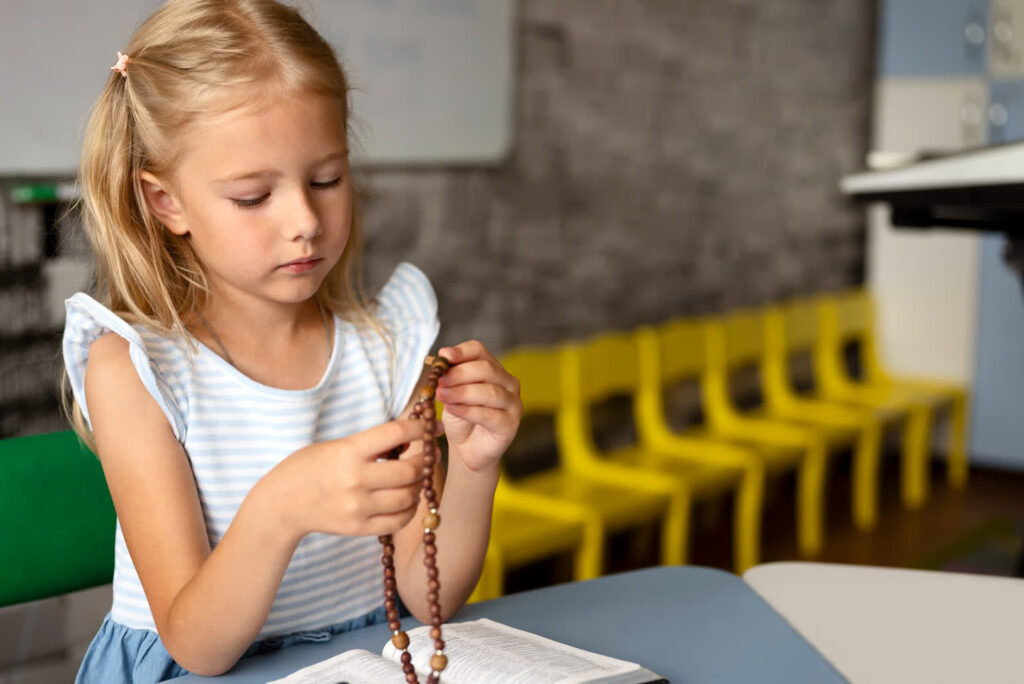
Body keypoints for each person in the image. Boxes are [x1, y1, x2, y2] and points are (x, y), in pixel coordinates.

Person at [61, 1, 521, 681]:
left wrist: (476, 467)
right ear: (167, 203)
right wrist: (280, 508)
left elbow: (430, 599)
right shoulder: (135, 366)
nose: (305, 219)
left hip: (356, 662)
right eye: (253, 197)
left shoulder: (386, 348)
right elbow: (197, 644)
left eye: (327, 179)